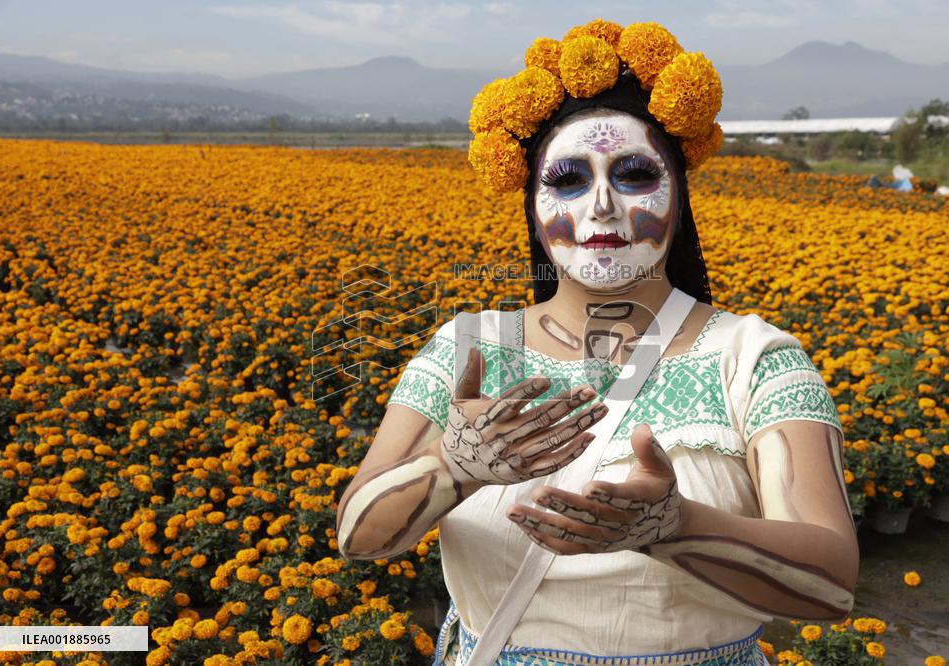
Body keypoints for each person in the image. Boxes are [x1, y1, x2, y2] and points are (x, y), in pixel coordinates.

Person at [336, 18, 859, 666]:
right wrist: (453, 466)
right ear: (531, 202)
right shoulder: (467, 346)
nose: (603, 205)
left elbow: (832, 583)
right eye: (569, 180)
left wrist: (679, 528)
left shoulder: (753, 359)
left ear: (680, 195)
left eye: (635, 175)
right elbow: (359, 533)